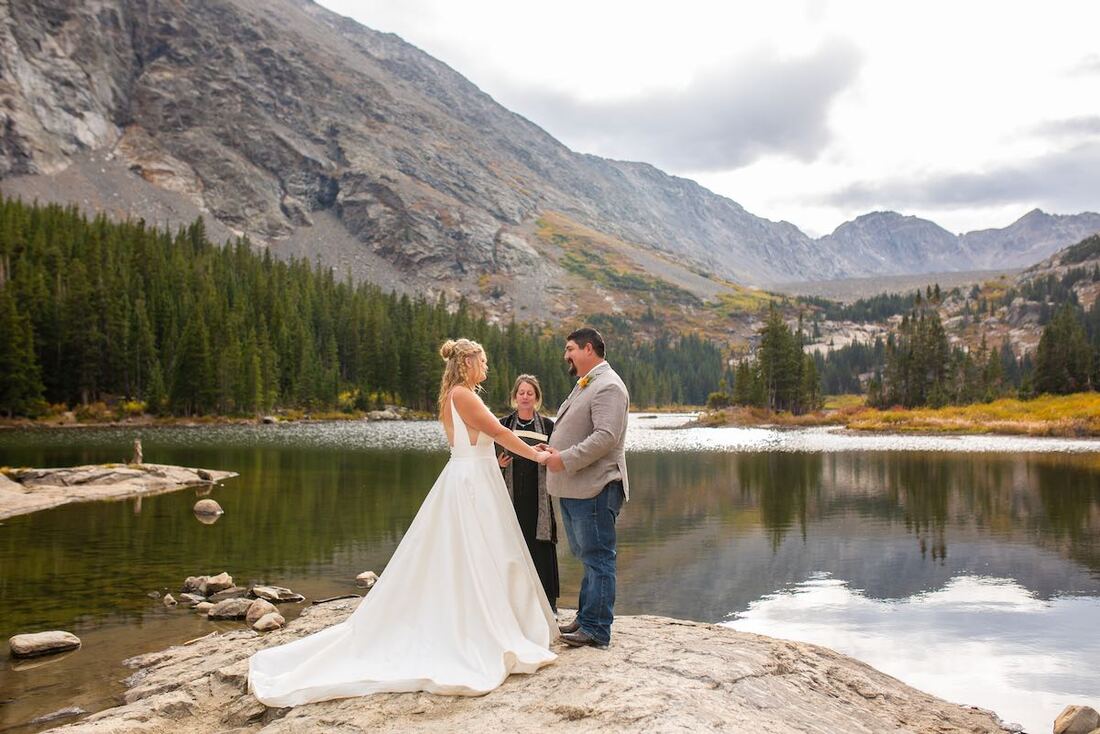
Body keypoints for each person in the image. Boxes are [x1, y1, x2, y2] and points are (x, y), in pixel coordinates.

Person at [248, 338, 558, 706]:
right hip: (473, 485)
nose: (486, 367)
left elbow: (475, 442)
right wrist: (536, 457)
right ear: (468, 362)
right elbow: (501, 433)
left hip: (468, 476)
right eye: (482, 361)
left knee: (470, 556)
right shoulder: (465, 395)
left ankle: (473, 617)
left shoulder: (452, 395)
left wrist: (499, 459)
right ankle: (480, 628)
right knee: (479, 555)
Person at [540, 327, 629, 649]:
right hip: (576, 487)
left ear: (588, 349)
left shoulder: (608, 387)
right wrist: (555, 453)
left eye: (570, 349)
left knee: (599, 556)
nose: (566, 355)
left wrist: (564, 459)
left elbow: (606, 436)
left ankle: (596, 628)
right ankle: (586, 616)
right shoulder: (588, 383)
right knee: (587, 554)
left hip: (596, 486)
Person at [497, 374, 559, 611]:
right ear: (514, 397)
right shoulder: (502, 424)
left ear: (536, 398)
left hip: (539, 497)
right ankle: (512, 604)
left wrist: (549, 454)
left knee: (540, 547)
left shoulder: (548, 425)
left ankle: (547, 605)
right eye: (521, 393)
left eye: (529, 393)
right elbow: (487, 456)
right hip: (509, 497)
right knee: (512, 546)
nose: (525, 397)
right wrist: (498, 463)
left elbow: (556, 456)